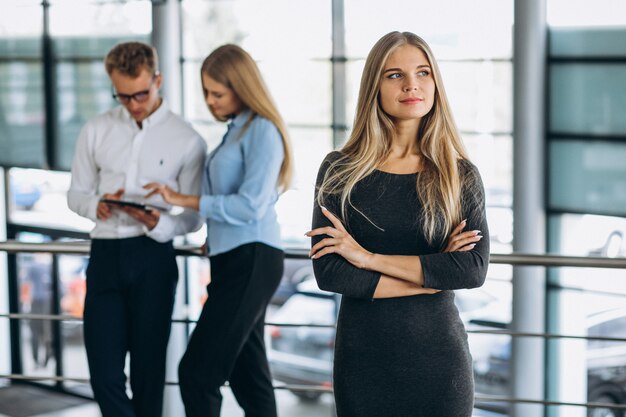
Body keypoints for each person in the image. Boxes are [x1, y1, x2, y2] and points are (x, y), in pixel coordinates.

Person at [306, 31, 490, 417]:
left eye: (423, 72)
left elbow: (470, 270)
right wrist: (431, 277)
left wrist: (366, 257)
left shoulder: (460, 176)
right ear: (375, 84)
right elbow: (332, 274)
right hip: (364, 364)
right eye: (394, 75)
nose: (411, 84)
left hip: (439, 367)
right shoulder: (340, 170)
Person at [144, 44, 293, 417]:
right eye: (206, 93)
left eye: (218, 93)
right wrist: (216, 238)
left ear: (242, 88)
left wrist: (183, 198)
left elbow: (250, 205)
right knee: (248, 376)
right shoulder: (235, 132)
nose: (210, 102)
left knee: (196, 373)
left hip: (253, 259)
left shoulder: (262, 131)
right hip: (233, 259)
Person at [67, 41, 207, 417]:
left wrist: (159, 221)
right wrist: (95, 204)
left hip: (154, 258)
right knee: (105, 375)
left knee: (148, 375)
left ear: (158, 79)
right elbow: (75, 194)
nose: (132, 104)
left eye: (140, 94)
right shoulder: (96, 130)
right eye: (123, 96)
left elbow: (194, 217)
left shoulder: (188, 139)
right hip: (106, 256)